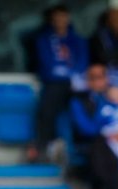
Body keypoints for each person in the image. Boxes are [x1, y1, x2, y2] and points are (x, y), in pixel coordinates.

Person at [30, 4, 88, 163]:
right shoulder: (44, 39)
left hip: (75, 84)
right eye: (56, 18)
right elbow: (46, 65)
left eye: (63, 17)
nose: (60, 21)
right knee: (46, 109)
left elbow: (82, 64)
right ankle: (43, 147)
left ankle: (80, 148)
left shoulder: (77, 40)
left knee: (85, 105)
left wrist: (73, 76)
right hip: (54, 83)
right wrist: (63, 74)